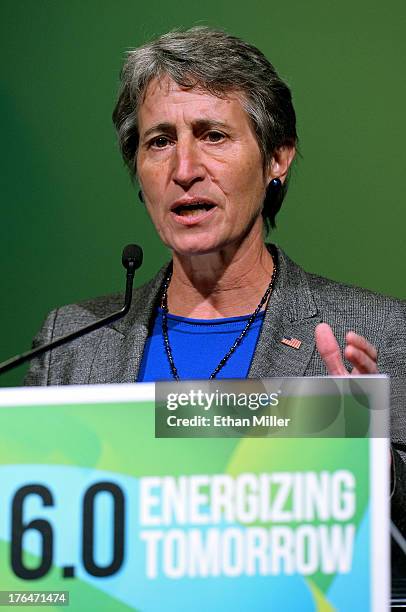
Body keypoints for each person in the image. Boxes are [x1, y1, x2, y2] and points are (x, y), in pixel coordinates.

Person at [25, 27, 405, 534]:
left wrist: (375, 470)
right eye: (159, 141)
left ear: (277, 157)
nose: (184, 169)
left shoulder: (379, 331)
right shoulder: (69, 346)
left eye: (213, 135)